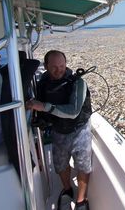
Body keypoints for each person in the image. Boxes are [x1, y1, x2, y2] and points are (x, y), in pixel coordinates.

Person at [27, 50, 92, 210]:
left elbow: (73, 111)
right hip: (58, 130)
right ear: (46, 66)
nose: (59, 70)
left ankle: (81, 200)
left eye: (62, 66)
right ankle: (67, 189)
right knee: (60, 164)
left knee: (83, 165)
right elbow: (40, 99)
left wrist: (44, 107)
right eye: (54, 66)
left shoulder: (78, 83)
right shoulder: (43, 82)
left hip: (79, 130)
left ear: (66, 64)